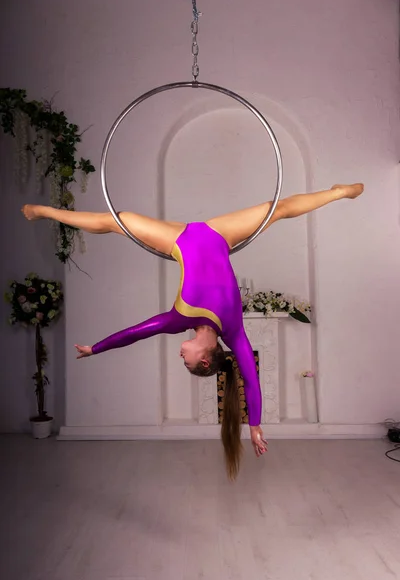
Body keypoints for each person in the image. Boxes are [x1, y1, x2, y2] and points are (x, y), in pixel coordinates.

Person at [22, 182, 363, 478]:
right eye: (185, 361)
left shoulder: (178, 319)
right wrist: (255, 425)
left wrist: (95, 349)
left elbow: (134, 333)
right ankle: (338, 193)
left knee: (117, 220)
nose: (179, 353)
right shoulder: (235, 334)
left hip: (179, 240)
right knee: (280, 209)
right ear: (204, 361)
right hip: (219, 234)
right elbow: (251, 381)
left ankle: (46, 212)